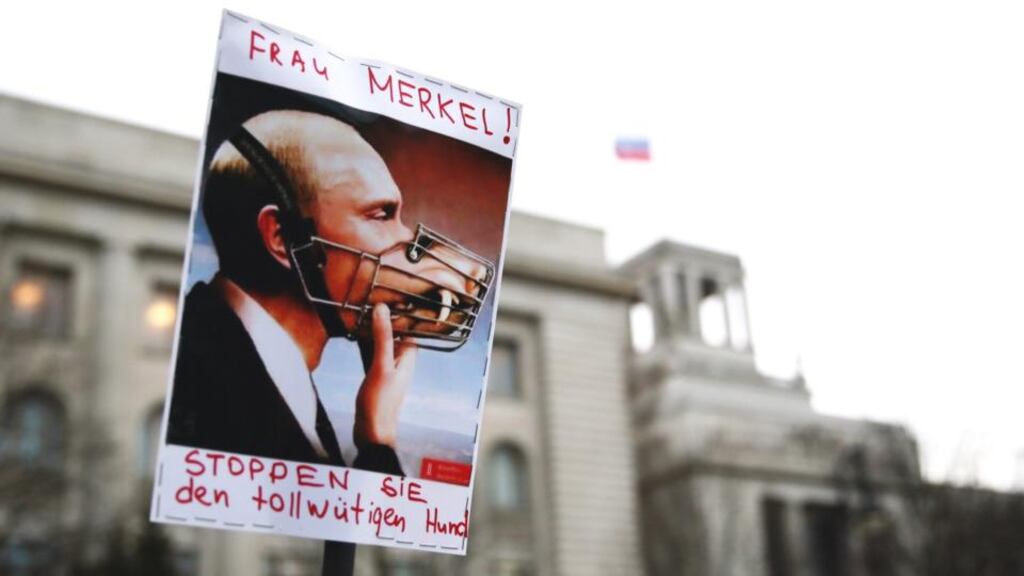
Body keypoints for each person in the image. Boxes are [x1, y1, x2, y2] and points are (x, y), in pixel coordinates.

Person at [166, 110, 489, 475]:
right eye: (381, 215)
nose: (406, 238)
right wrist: (378, 443)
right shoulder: (202, 389)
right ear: (282, 238)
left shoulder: (268, 372)